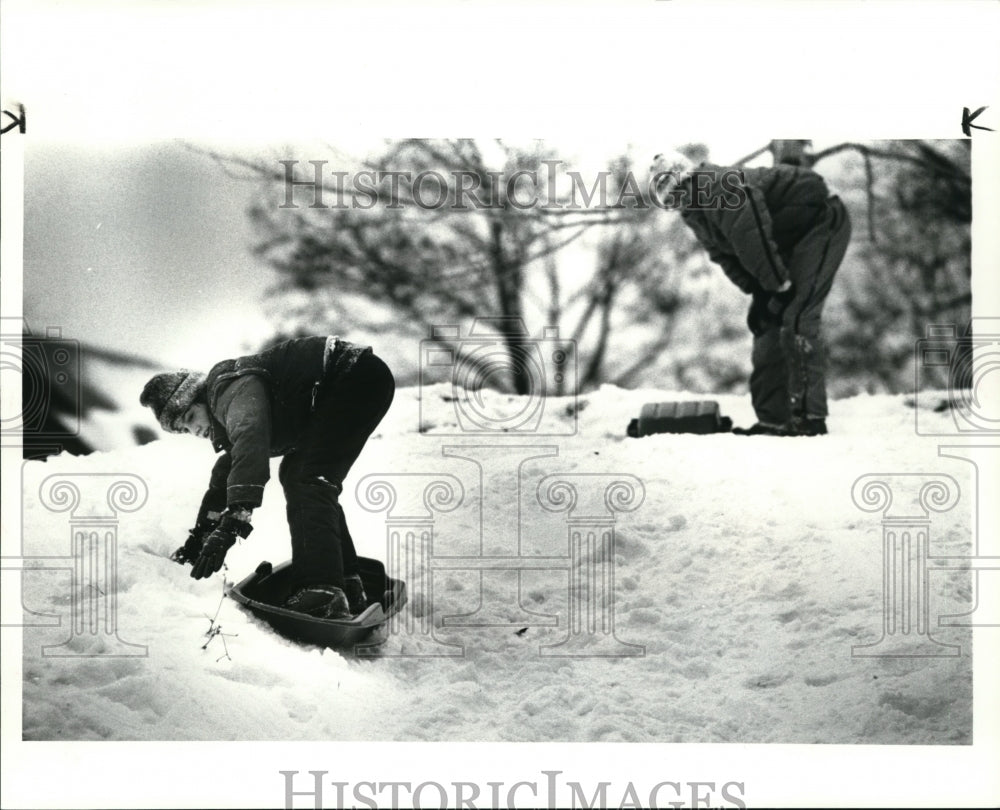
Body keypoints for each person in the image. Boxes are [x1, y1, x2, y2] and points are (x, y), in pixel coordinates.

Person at [139, 335, 395, 619]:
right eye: (183, 430)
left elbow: (250, 436)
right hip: (352, 382)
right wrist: (202, 537)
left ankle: (322, 592)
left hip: (352, 375)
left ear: (200, 396)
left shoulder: (228, 388)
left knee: (306, 477)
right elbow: (228, 472)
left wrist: (237, 514)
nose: (194, 430)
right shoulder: (228, 410)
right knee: (302, 474)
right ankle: (346, 582)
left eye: (189, 417)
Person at [651, 150, 852, 436]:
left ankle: (810, 417)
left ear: (688, 180)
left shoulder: (718, 186)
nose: (678, 202)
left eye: (678, 192)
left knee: (797, 316)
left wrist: (777, 285)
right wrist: (760, 293)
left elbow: (751, 233)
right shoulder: (696, 216)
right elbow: (726, 257)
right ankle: (774, 419)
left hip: (821, 218)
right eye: (670, 201)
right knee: (767, 323)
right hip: (787, 239)